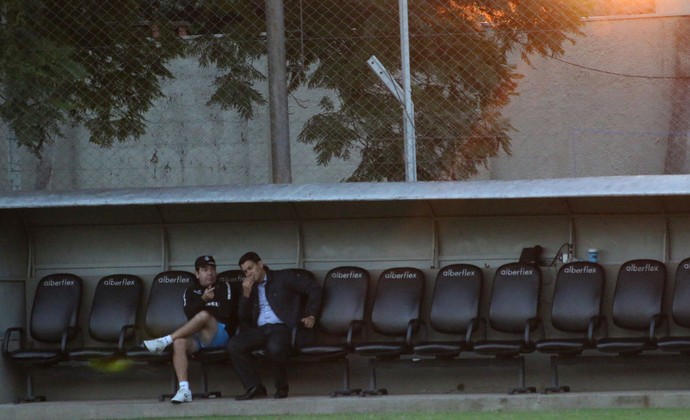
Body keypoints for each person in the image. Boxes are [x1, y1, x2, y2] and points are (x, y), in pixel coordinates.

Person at [228, 251, 322, 400]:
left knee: (274, 348)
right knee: (234, 345)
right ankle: (254, 386)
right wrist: (246, 295)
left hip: (282, 327)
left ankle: (281, 387)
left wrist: (311, 314)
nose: (249, 273)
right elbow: (243, 317)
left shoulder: (282, 277)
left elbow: (313, 288)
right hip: (260, 330)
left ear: (260, 264)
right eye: (245, 272)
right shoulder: (248, 288)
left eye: (250, 268)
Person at [143, 255, 236, 404]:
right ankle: (184, 389)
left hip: (220, 334)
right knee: (179, 343)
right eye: (205, 270)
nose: (210, 273)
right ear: (197, 273)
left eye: (213, 269)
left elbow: (227, 313)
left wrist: (205, 308)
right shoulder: (190, 291)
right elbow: (189, 314)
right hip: (199, 337)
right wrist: (203, 300)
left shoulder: (224, 287)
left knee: (204, 315)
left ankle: (165, 340)